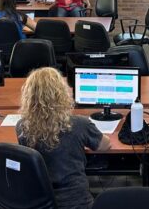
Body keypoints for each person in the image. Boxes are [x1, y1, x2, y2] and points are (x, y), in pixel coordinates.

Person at [16, 67, 111, 209]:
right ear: (62, 93)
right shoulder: (80, 124)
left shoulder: (22, 127)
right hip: (76, 203)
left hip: (40, 202)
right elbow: (105, 145)